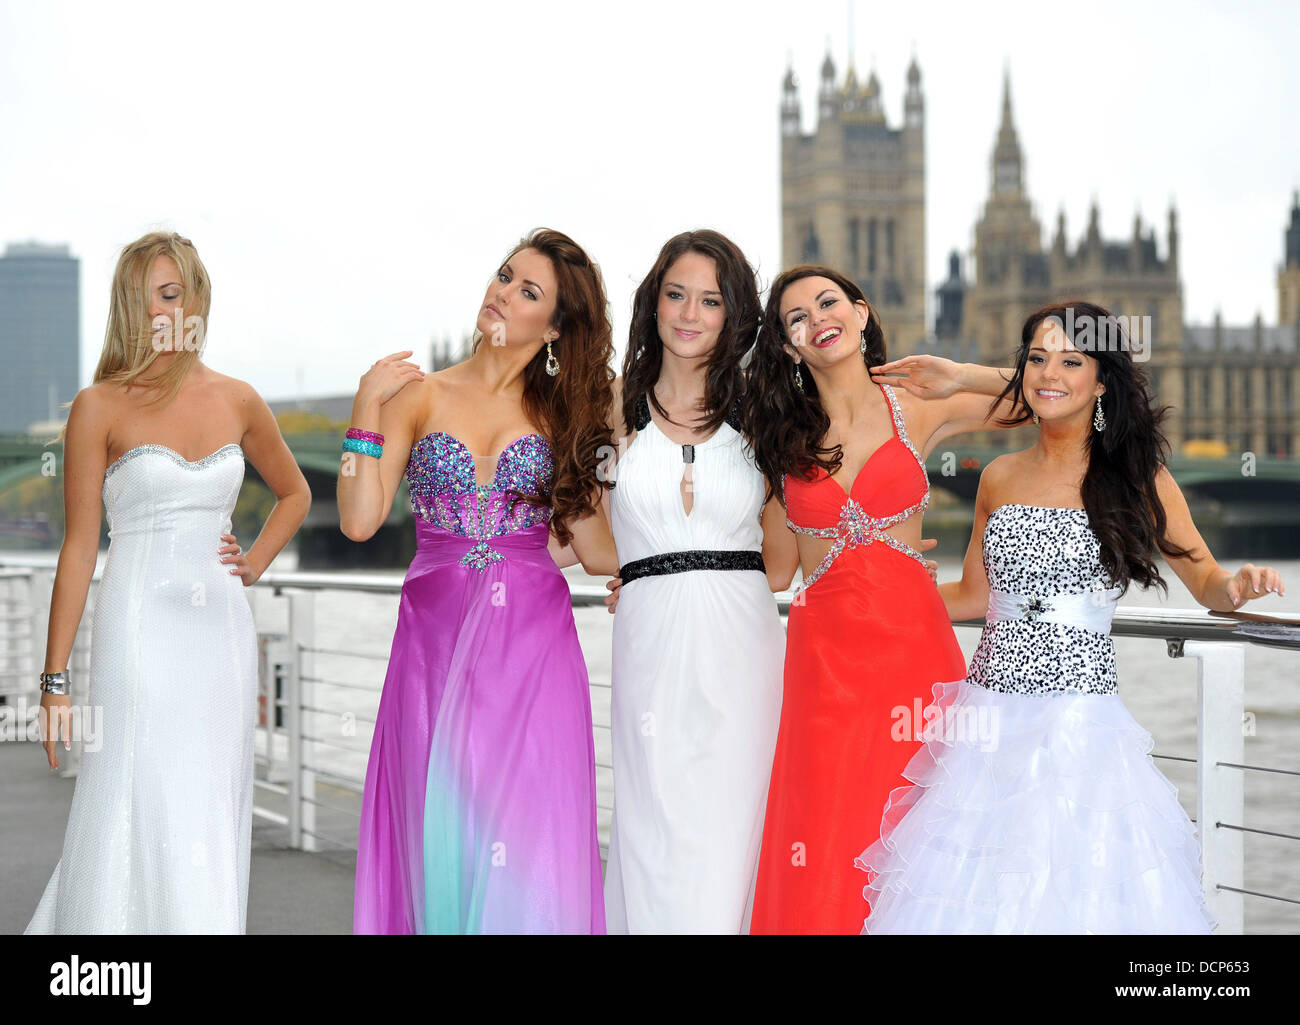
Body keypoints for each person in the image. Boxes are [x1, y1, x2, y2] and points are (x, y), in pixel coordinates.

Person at [855, 301, 1284, 934]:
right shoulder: (997, 476)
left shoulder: (1139, 477)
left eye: (1071, 361)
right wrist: (884, 578)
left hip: (1080, 730)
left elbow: (1206, 581)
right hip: (986, 726)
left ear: (1101, 379)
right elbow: (973, 597)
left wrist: (1238, 586)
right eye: (1036, 358)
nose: (1049, 373)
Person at [26, 232, 310, 933]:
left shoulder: (240, 400)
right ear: (131, 308)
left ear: (197, 298)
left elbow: (296, 493)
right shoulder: (99, 406)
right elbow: (80, 545)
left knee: (205, 804)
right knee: (137, 790)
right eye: (152, 295)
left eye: (177, 293)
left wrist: (254, 562)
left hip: (218, 632)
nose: (166, 310)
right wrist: (54, 681)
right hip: (139, 632)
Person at [344, 228, 617, 934]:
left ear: (555, 326)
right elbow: (359, 519)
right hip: (431, 649)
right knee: (443, 830)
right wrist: (363, 411)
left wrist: (621, 453)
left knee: (526, 837)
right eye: (504, 275)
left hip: (534, 653)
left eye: (528, 291)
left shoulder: (565, 417)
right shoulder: (418, 394)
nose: (502, 292)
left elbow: (595, 550)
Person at [743, 264, 1019, 934]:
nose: (816, 318)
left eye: (828, 301)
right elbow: (774, 569)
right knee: (829, 828)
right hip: (824, 669)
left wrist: (959, 373)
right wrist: (670, 568)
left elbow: (1050, 395)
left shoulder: (916, 407)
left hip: (913, 656)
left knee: (920, 830)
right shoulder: (781, 438)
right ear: (788, 345)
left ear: (861, 314)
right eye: (796, 317)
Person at [601, 230, 794, 933]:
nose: (689, 313)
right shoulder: (610, 415)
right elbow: (586, 533)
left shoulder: (767, 417)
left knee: (734, 822)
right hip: (649, 638)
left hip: (740, 641)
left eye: (710, 300)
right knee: (654, 818)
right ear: (654, 303)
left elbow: (780, 562)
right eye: (676, 294)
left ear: (732, 314)